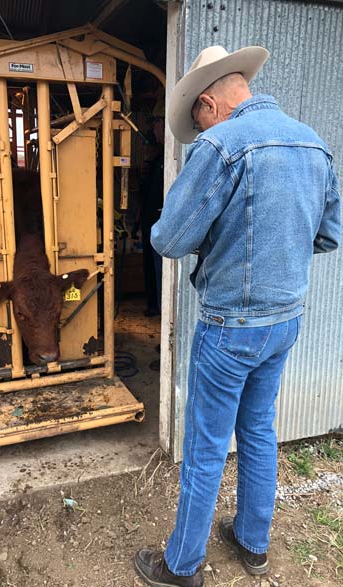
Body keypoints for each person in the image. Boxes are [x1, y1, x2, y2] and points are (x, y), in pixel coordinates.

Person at [134, 45, 341, 587]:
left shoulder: (222, 145)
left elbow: (169, 239)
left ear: (208, 103)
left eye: (195, 118)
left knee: (205, 449)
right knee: (257, 431)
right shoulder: (314, 144)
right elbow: (328, 235)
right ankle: (253, 543)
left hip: (231, 328)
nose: (197, 129)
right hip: (285, 322)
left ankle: (180, 568)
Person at [140, 99, 165, 318]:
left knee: (162, 276)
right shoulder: (158, 161)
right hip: (151, 227)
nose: (154, 128)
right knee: (153, 271)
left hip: (162, 231)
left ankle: (162, 317)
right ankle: (155, 307)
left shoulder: (170, 161)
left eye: (156, 122)